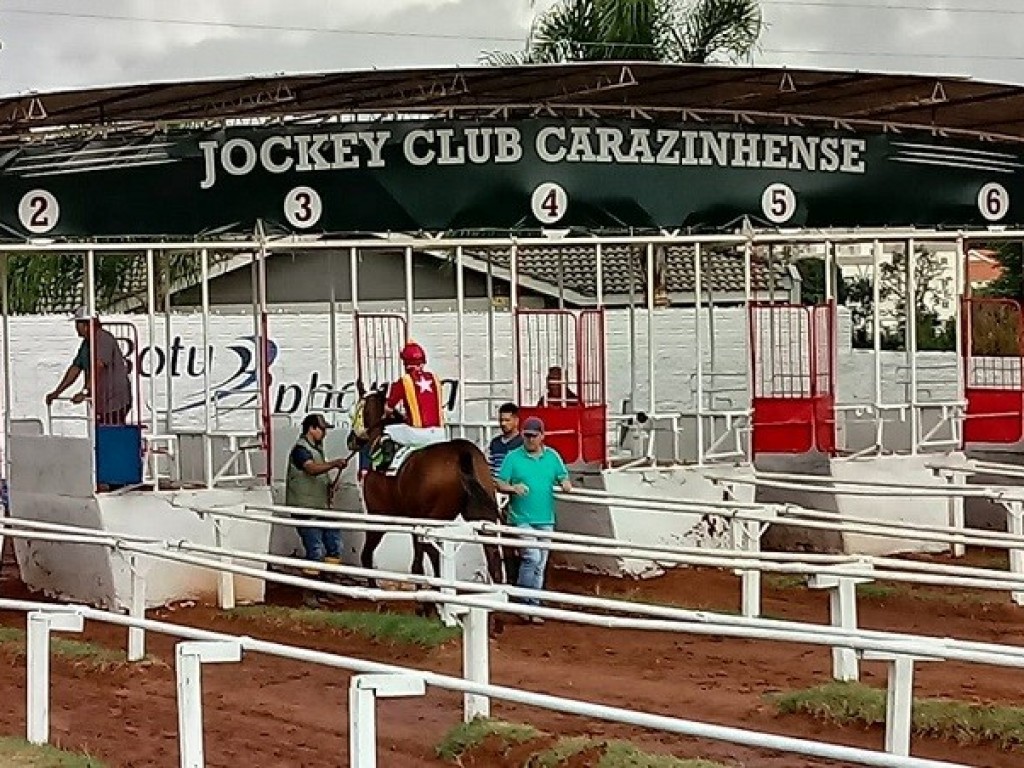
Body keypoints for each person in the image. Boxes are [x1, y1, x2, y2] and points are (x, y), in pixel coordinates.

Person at [494, 416, 572, 624]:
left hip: (545, 517)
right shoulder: (512, 457)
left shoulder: (552, 457)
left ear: (541, 436)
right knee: (532, 557)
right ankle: (524, 602)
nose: (529, 440)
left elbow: (562, 475)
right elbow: (500, 482)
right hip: (521, 518)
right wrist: (512, 488)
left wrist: (565, 482)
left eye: (533, 436)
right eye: (526, 435)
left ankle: (531, 604)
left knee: (540, 563)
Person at [45, 307, 133, 425]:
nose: (76, 327)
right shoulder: (87, 343)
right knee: (101, 431)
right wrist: (57, 392)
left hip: (115, 399)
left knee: (110, 430)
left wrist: (85, 391)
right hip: (102, 400)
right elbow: (75, 368)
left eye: (78, 323)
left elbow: (98, 367)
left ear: (86, 324)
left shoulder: (103, 338)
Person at [285, 413, 349, 570]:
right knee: (316, 550)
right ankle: (313, 586)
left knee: (335, 546)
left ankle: (325, 580)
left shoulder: (314, 449)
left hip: (320, 507)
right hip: (305, 509)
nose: (325, 433)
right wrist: (334, 464)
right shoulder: (300, 449)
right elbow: (311, 469)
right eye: (322, 429)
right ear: (312, 429)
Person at [382, 341, 448, 455]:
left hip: (417, 434)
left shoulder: (404, 381)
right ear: (423, 363)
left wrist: (386, 415)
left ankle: (392, 468)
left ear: (406, 364)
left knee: (386, 432)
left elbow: (389, 409)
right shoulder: (435, 378)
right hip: (440, 433)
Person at [487, 402, 523, 478]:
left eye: (507, 420)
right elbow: (490, 469)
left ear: (516, 421)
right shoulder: (494, 443)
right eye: (501, 420)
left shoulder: (523, 443)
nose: (503, 423)